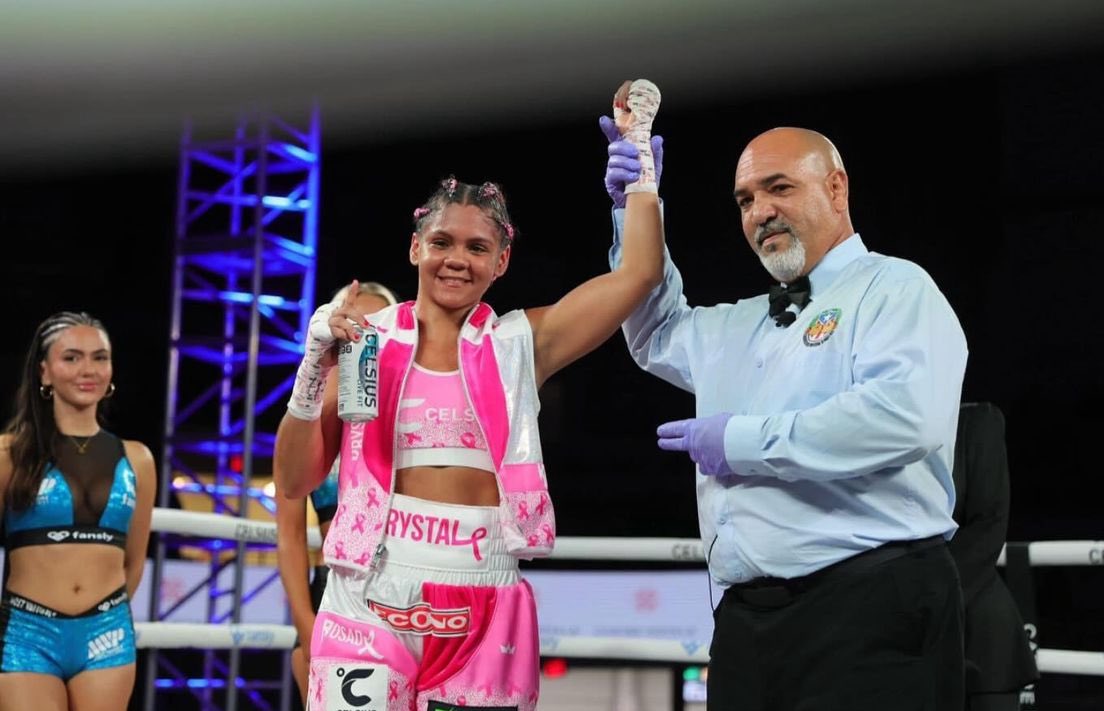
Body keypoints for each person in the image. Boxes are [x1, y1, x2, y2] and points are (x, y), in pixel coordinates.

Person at [274, 79, 664, 711]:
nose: (457, 260)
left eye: (478, 247)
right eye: (443, 243)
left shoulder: (520, 344)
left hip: (482, 592)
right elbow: (293, 481)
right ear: (415, 248)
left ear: (502, 261)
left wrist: (639, 165)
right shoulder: (366, 344)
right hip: (369, 584)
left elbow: (640, 275)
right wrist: (313, 366)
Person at [605, 126, 969, 710]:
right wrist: (636, 207)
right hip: (749, 624)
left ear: (836, 188)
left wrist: (742, 442)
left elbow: (905, 416)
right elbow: (654, 332)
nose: (762, 212)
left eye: (779, 188)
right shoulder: (740, 322)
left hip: (870, 606)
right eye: (746, 200)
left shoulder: (895, 287)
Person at [0, 312, 157, 711]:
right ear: (45, 372)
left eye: (99, 357)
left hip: (107, 633)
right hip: (26, 631)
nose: (88, 369)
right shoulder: (9, 453)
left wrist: (106, 616)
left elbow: (135, 559)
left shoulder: (137, 459)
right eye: (71, 358)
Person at [275, 280, 399, 706]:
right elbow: (290, 536)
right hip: (333, 591)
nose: (358, 331)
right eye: (349, 320)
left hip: (403, 584)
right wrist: (307, 625)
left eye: (372, 324)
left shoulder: (410, 415)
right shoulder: (304, 425)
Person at [950, 402, 1038, 711]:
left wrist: (929, 595)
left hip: (977, 630)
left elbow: (989, 524)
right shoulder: (883, 431)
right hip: (905, 631)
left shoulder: (974, 422)